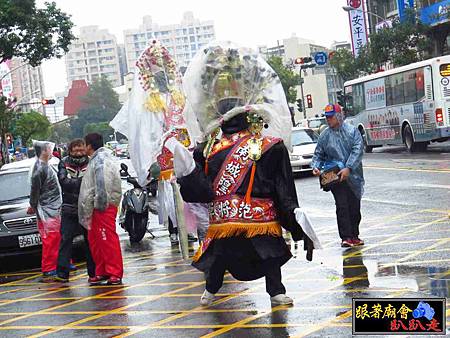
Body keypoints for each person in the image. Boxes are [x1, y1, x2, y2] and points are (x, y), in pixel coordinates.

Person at [173, 42, 319, 307]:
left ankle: (258, 290)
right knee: (225, 254)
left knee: (257, 253)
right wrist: (187, 171)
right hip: (235, 219)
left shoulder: (230, 147)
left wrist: (295, 217)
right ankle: (221, 289)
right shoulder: (218, 147)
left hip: (251, 217)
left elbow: (202, 192)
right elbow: (204, 192)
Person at [311, 103, 365, 248]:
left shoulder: (352, 131)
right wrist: (316, 167)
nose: (328, 120)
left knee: (354, 206)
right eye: (327, 117)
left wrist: (348, 168)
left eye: (331, 117)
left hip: (353, 176)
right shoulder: (325, 136)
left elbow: (357, 150)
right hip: (334, 176)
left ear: (339, 116)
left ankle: (355, 235)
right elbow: (318, 154)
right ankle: (346, 237)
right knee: (342, 206)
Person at [78, 133, 123, 285]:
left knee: (106, 239)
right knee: (96, 240)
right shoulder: (96, 160)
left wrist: (100, 205)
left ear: (89, 146)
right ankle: (102, 270)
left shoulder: (101, 161)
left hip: (103, 206)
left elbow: (102, 185)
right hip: (95, 207)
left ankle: (114, 272)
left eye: (84, 144)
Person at [55, 139, 96, 283]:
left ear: (85, 149)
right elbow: (63, 182)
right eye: (75, 150)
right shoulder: (63, 162)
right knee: (66, 240)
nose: (78, 152)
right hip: (69, 209)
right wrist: (83, 183)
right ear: (70, 150)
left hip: (86, 208)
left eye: (81, 149)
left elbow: (94, 183)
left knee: (90, 241)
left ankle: (94, 273)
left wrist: (76, 183)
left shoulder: (91, 162)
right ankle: (62, 273)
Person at [28, 141, 62, 282]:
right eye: (49, 148)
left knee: (57, 238)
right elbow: (35, 191)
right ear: (43, 151)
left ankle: (61, 263)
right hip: (47, 210)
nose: (51, 150)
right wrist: (33, 205)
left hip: (53, 208)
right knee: (51, 239)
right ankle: (49, 268)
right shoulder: (40, 169)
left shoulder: (46, 166)